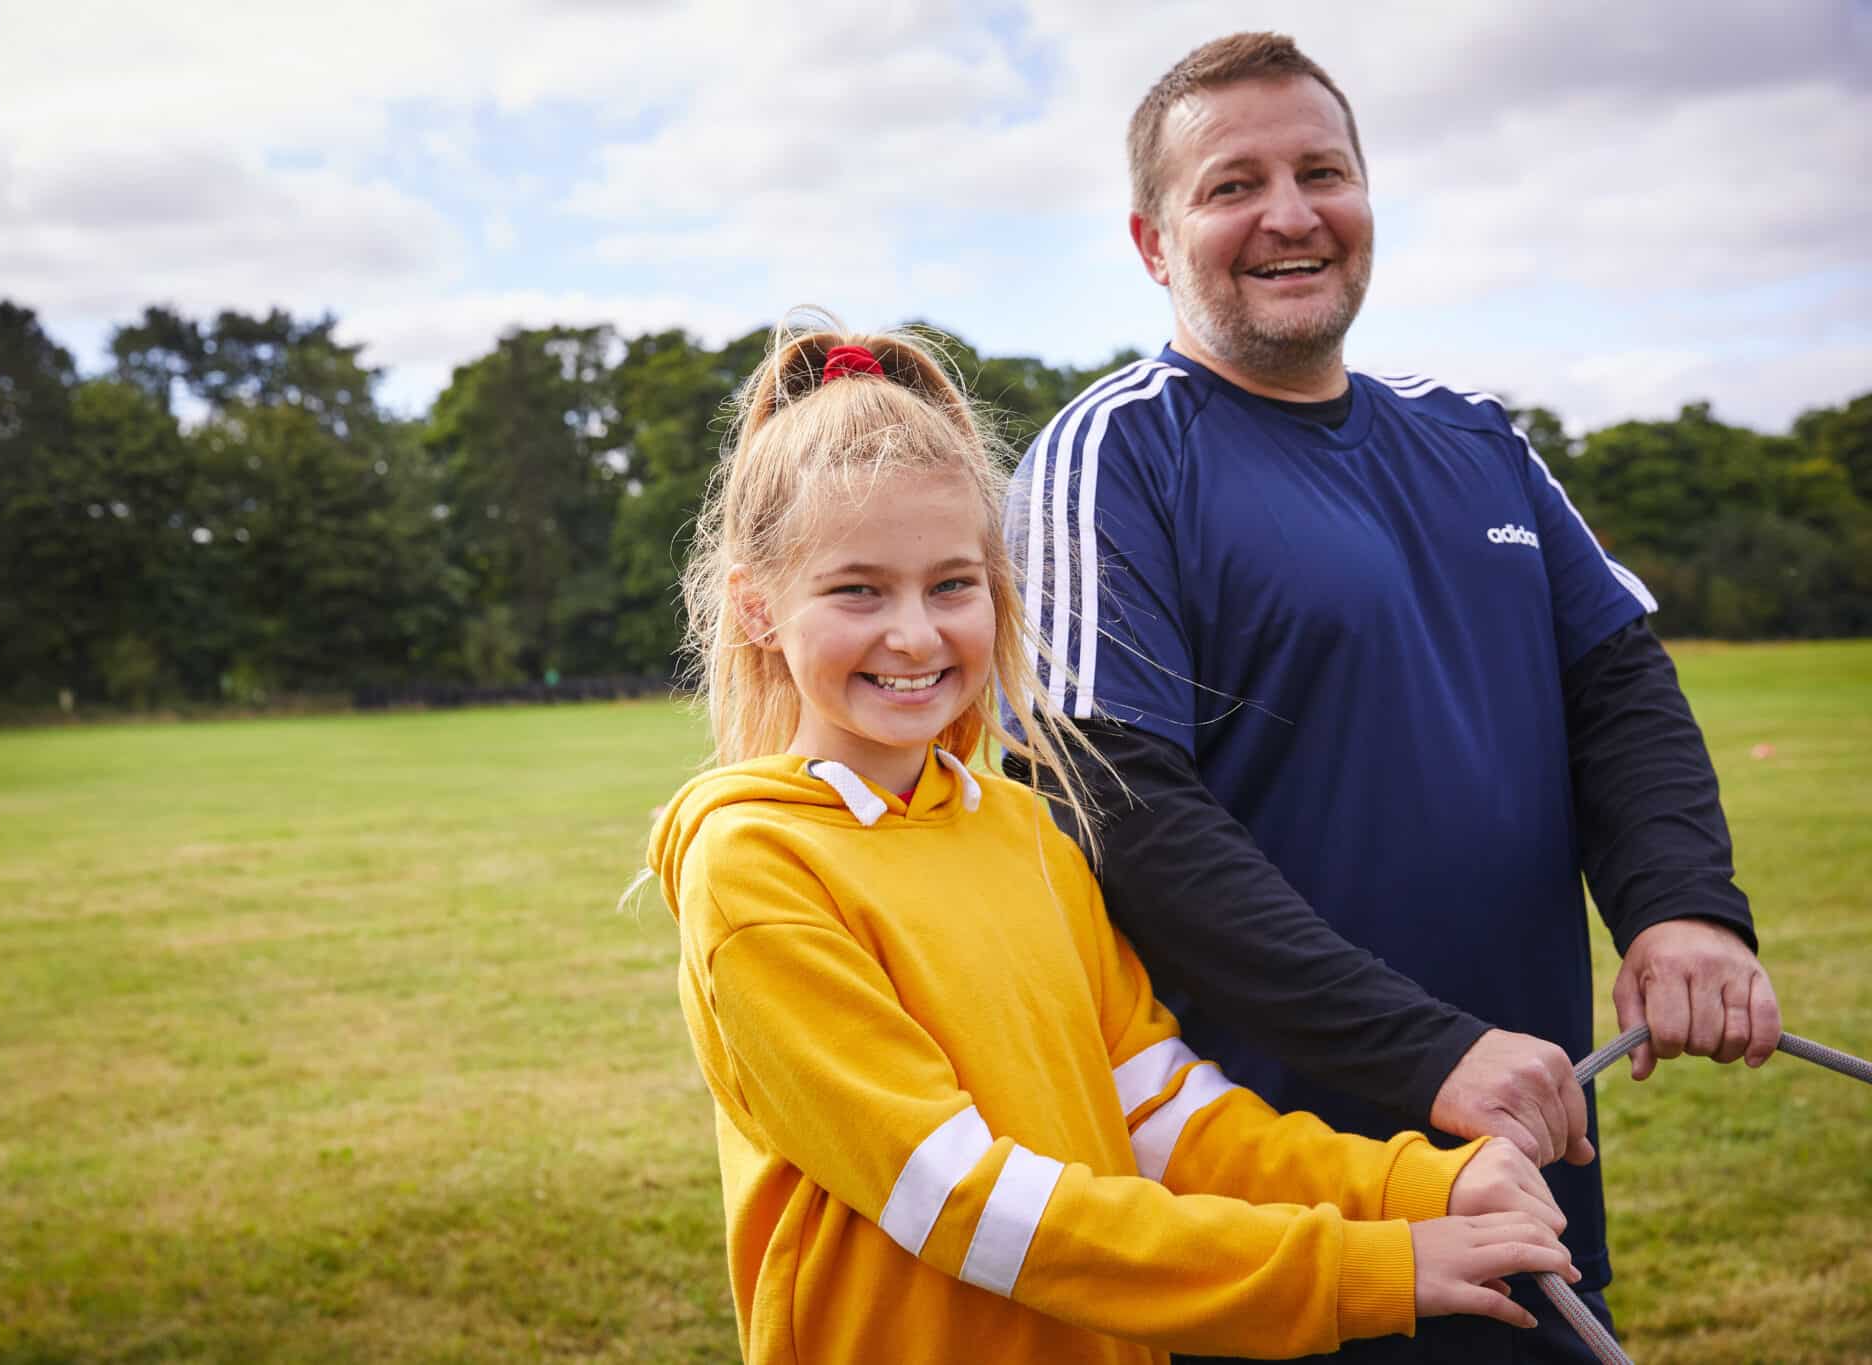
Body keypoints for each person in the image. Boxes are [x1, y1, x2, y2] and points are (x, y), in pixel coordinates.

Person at [1005, 32, 1781, 1363]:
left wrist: (1683, 905)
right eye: (1232, 184)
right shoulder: (1113, 452)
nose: (1291, 214)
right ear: (1152, 241)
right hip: (1275, 1213)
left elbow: (1618, 688)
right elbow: (1115, 797)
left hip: (1527, 1158)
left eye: (1324, 171)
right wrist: (1423, 1050)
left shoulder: (1476, 435)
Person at [645, 315, 1582, 1365]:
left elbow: (1169, 1119)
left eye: (951, 584)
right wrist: (1365, 1267)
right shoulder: (758, 867)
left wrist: (1422, 1182)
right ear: (756, 608)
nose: (913, 634)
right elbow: (965, 1202)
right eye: (856, 589)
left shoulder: (1030, 831)